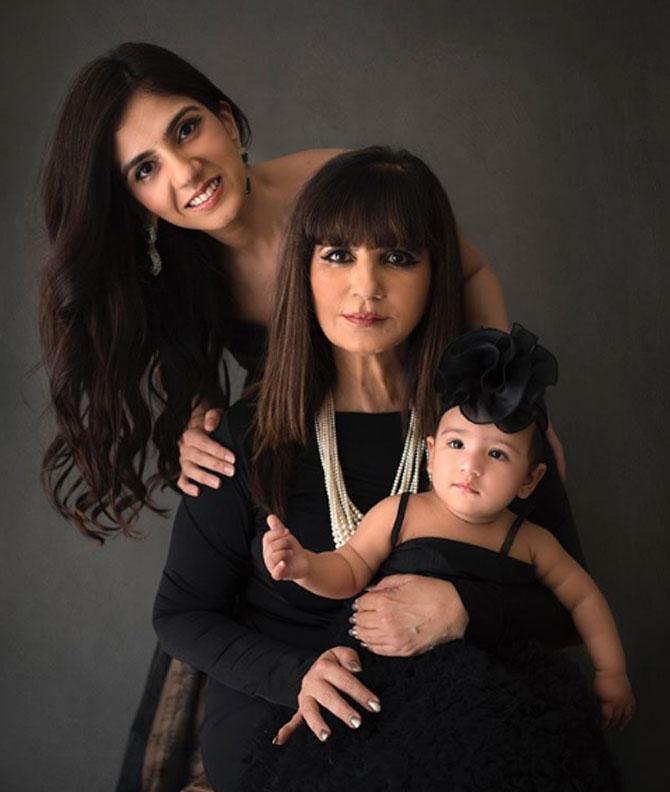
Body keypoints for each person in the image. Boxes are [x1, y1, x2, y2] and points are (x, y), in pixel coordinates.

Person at [39, 44, 514, 790]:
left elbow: (471, 268)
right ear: (132, 199)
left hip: (416, 419)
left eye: (187, 129)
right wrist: (195, 429)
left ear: (228, 122)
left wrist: (502, 398)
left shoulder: (336, 188)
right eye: (145, 169)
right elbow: (196, 384)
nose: (184, 172)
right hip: (300, 446)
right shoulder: (178, 278)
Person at [153, 147, 586, 791]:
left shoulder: (490, 429)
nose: (366, 287)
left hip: (454, 715)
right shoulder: (246, 437)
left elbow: (568, 608)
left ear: (436, 273)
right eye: (337, 256)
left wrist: (464, 609)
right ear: (304, 271)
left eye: (398, 257)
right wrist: (296, 675)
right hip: (289, 710)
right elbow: (181, 614)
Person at [259, 324, 634, 789]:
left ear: (530, 480)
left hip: (496, 683)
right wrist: (304, 567)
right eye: (457, 444)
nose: (470, 466)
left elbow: (583, 599)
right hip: (393, 676)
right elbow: (349, 570)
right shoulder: (400, 512)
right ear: (431, 452)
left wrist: (611, 671)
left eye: (497, 455)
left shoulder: (528, 540)